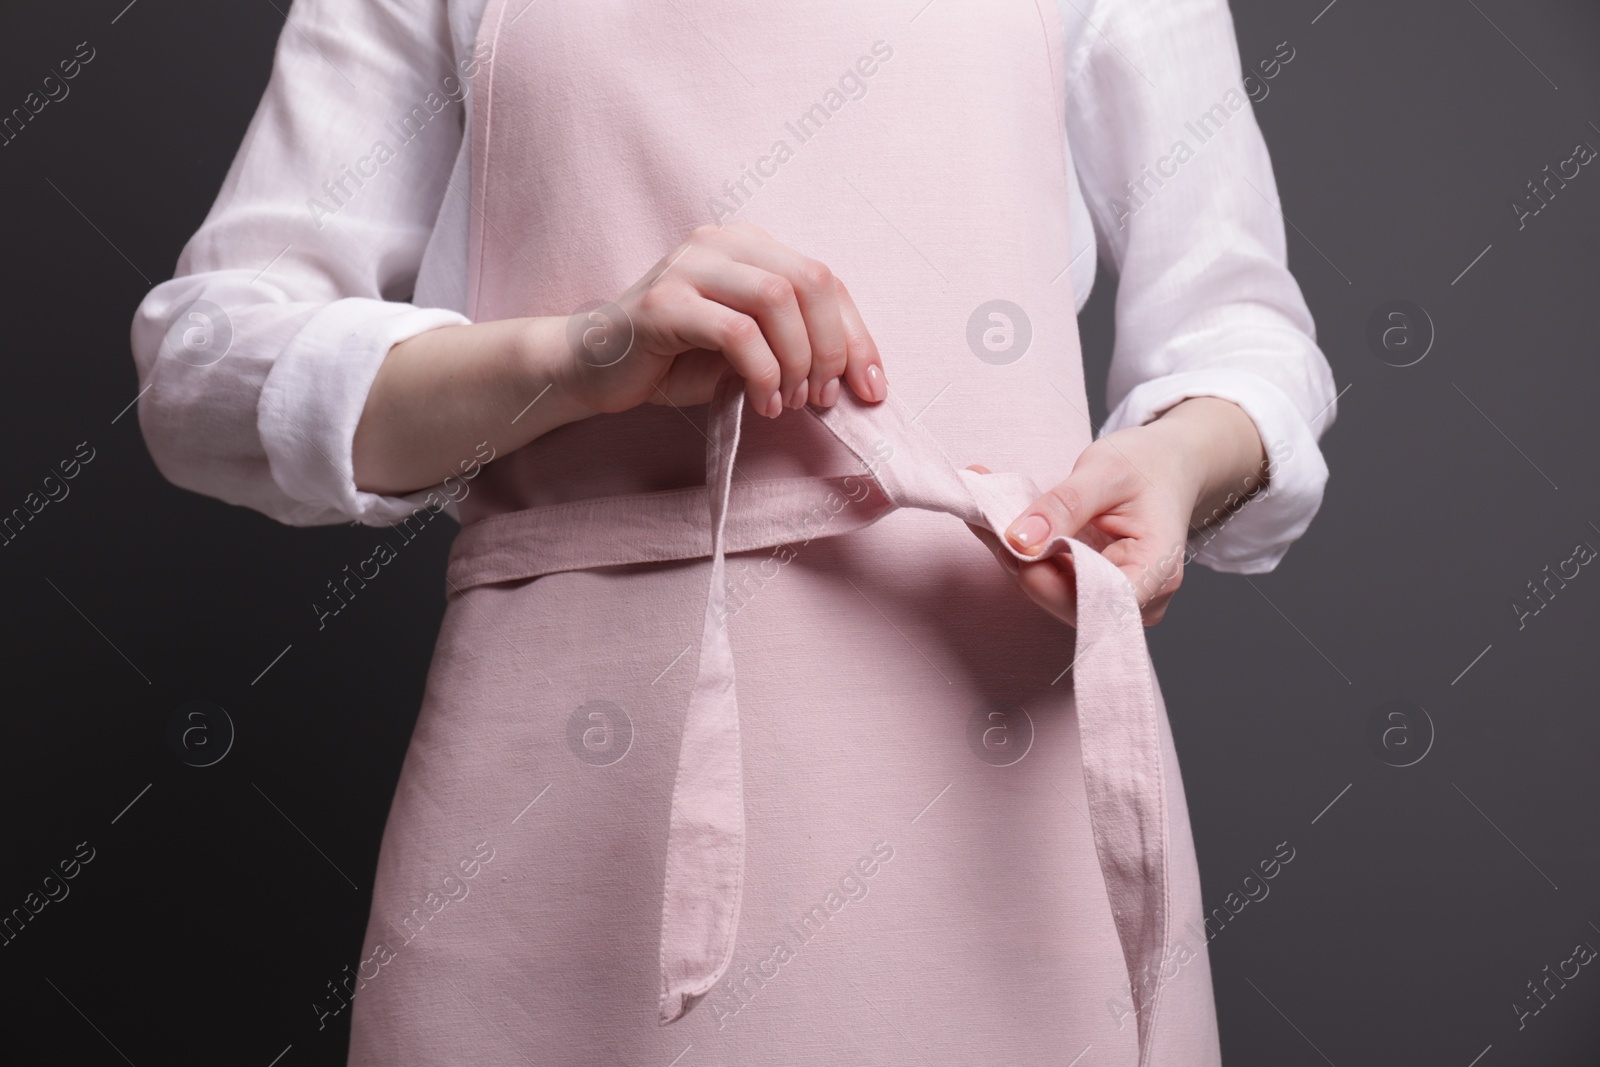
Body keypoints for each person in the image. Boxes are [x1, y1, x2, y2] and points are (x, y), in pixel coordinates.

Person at [130, 0, 1336, 1063]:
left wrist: (1177, 465)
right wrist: (579, 356)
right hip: (569, 803)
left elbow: (1242, 337)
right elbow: (201, 368)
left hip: (999, 780)